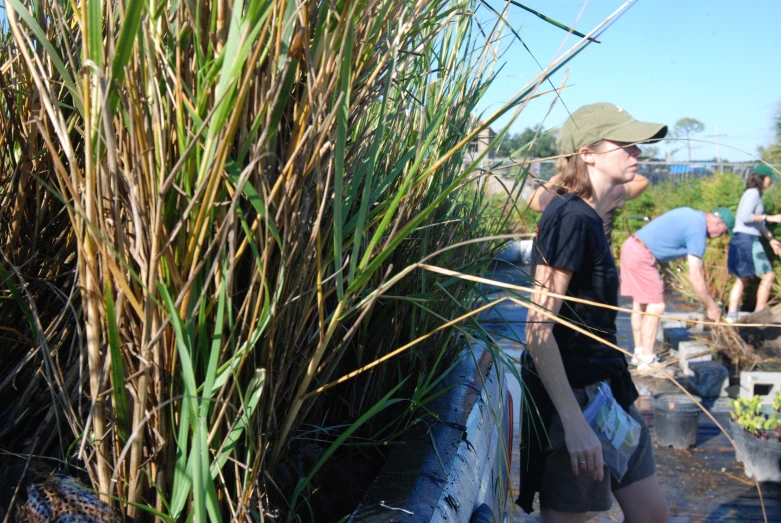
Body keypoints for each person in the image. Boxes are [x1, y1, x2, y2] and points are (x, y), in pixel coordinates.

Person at [519, 102, 670, 522]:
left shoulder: (589, 213)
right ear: (586, 153)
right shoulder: (569, 217)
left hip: (608, 388)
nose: (637, 152)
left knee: (653, 514)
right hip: (576, 395)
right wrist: (574, 423)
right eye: (625, 144)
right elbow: (537, 329)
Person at [620, 206, 734, 368]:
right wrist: (711, 306)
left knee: (641, 304)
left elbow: (664, 238)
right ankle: (647, 360)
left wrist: (665, 271)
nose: (717, 237)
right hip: (642, 256)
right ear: (718, 223)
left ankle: (639, 353)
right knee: (656, 306)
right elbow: (695, 274)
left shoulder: (692, 216)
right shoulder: (698, 230)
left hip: (632, 247)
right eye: (722, 232)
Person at [527, 169, 649, 246]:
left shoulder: (554, 194)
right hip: (601, 263)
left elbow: (531, 201)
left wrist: (552, 180)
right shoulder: (608, 191)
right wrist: (613, 169)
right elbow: (642, 181)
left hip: (564, 260)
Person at [726, 163, 781, 322]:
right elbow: (746, 217)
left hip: (743, 238)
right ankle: (760, 316)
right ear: (763, 178)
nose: (771, 182)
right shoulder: (753, 194)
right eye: (770, 179)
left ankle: (731, 315)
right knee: (768, 276)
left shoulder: (752, 194)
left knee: (742, 278)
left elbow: (759, 223)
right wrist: (770, 217)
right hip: (747, 240)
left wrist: (771, 240)